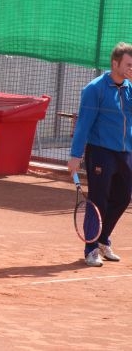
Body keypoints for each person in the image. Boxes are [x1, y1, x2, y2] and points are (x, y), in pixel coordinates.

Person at [68, 41, 132, 267]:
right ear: (115, 63)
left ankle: (103, 239)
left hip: (125, 153)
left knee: (123, 198)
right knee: (98, 201)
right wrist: (75, 155)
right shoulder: (94, 89)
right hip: (100, 152)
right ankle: (91, 249)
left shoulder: (130, 89)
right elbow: (84, 124)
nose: (131, 69)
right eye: (128, 64)